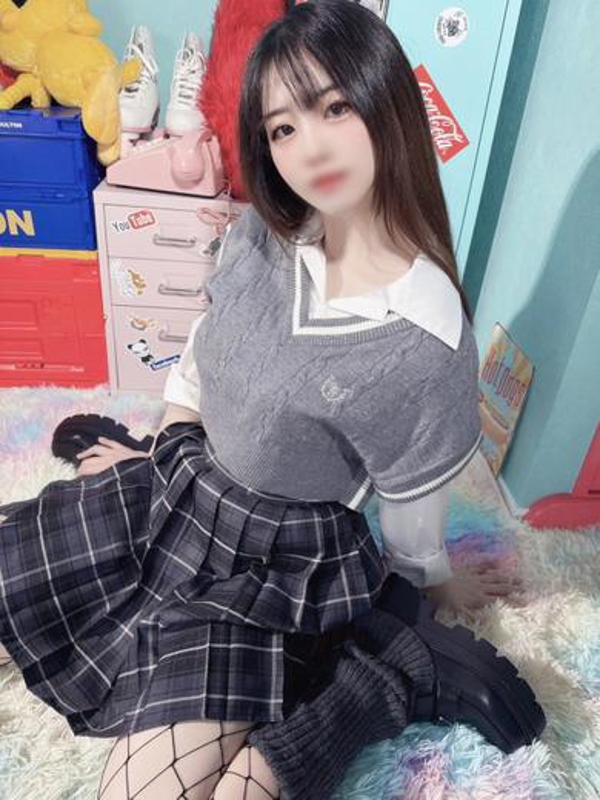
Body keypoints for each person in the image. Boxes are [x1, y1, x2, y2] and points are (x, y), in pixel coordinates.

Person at [0, 2, 541, 799]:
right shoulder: (262, 235)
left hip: (270, 566)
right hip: (182, 491)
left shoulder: (427, 334)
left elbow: (410, 500)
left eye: (334, 107)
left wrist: (431, 583)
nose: (308, 147)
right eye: (282, 127)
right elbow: (206, 351)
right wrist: (162, 452)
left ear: (386, 101)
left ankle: (377, 678)